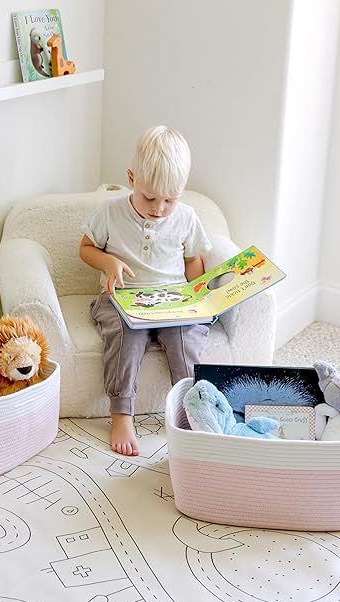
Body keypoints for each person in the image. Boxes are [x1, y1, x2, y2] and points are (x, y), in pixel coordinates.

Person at [79, 126, 212, 456]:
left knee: (185, 339)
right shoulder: (110, 213)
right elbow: (85, 248)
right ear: (131, 179)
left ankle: (192, 409)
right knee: (125, 338)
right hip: (122, 297)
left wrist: (198, 296)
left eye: (170, 199)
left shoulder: (186, 217)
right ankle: (121, 415)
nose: (159, 208)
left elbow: (193, 261)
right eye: (150, 198)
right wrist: (108, 262)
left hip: (172, 300)